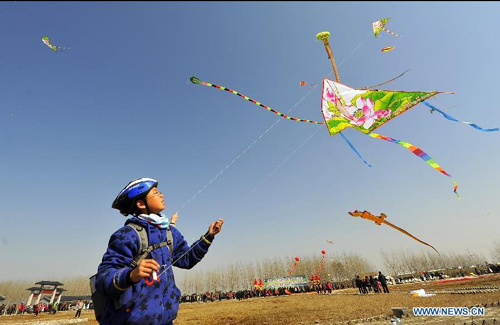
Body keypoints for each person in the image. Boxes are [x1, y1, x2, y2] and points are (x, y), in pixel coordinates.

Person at [94, 178, 223, 325]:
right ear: (141, 204)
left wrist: (209, 236)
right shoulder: (127, 235)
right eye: (155, 193)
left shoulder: (170, 233)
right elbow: (103, 279)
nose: (162, 195)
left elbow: (187, 259)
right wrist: (131, 275)